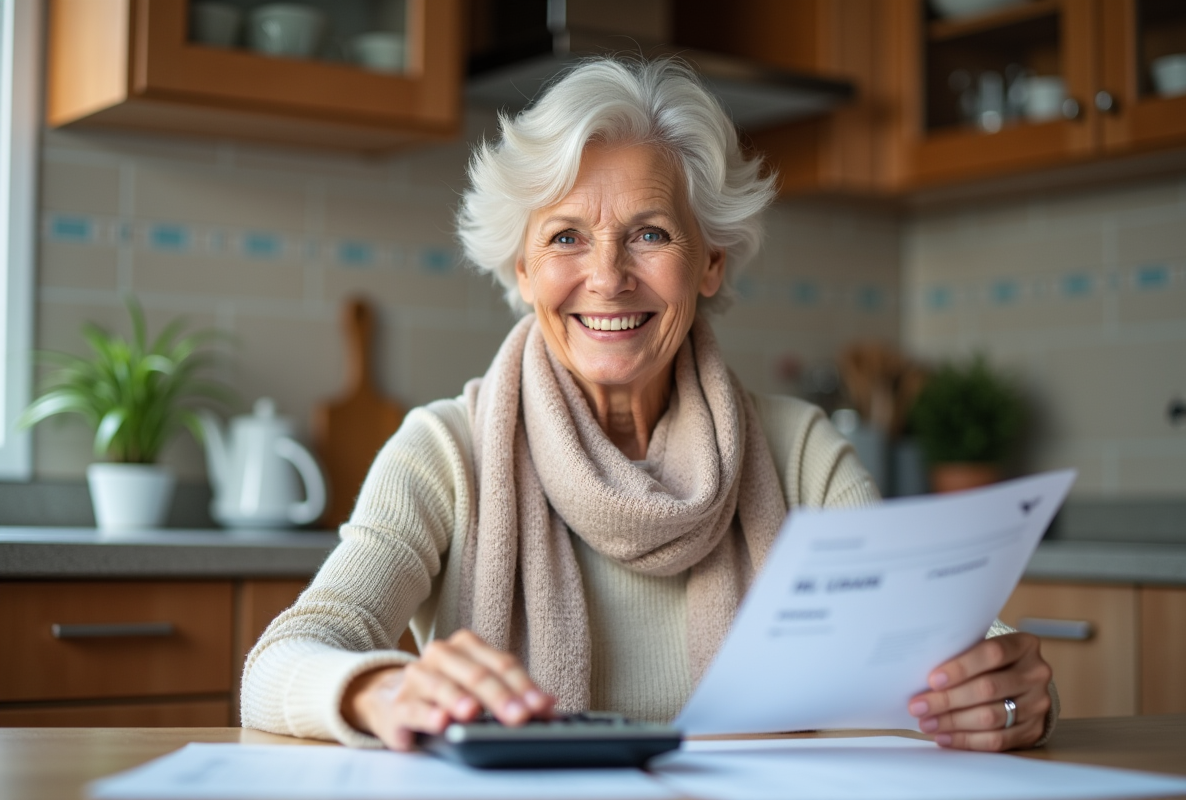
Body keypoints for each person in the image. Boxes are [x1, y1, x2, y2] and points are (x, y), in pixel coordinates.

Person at [241, 57, 1057, 754]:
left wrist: (999, 684)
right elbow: (284, 660)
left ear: (710, 262)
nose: (607, 276)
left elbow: (920, 633)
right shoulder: (443, 451)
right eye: (564, 237)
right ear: (521, 271)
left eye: (650, 233)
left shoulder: (798, 446)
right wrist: (380, 693)